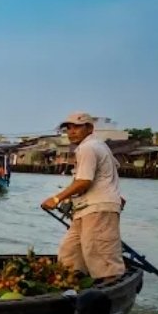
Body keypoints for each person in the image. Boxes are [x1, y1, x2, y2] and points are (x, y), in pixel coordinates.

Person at [40, 112, 124, 280]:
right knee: (70, 252)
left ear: (89, 128)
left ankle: (108, 289)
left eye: (77, 127)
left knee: (100, 254)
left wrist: (57, 199)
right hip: (86, 208)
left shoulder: (88, 147)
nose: (71, 131)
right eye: (68, 128)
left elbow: (84, 181)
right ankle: (72, 285)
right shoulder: (96, 146)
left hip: (98, 208)